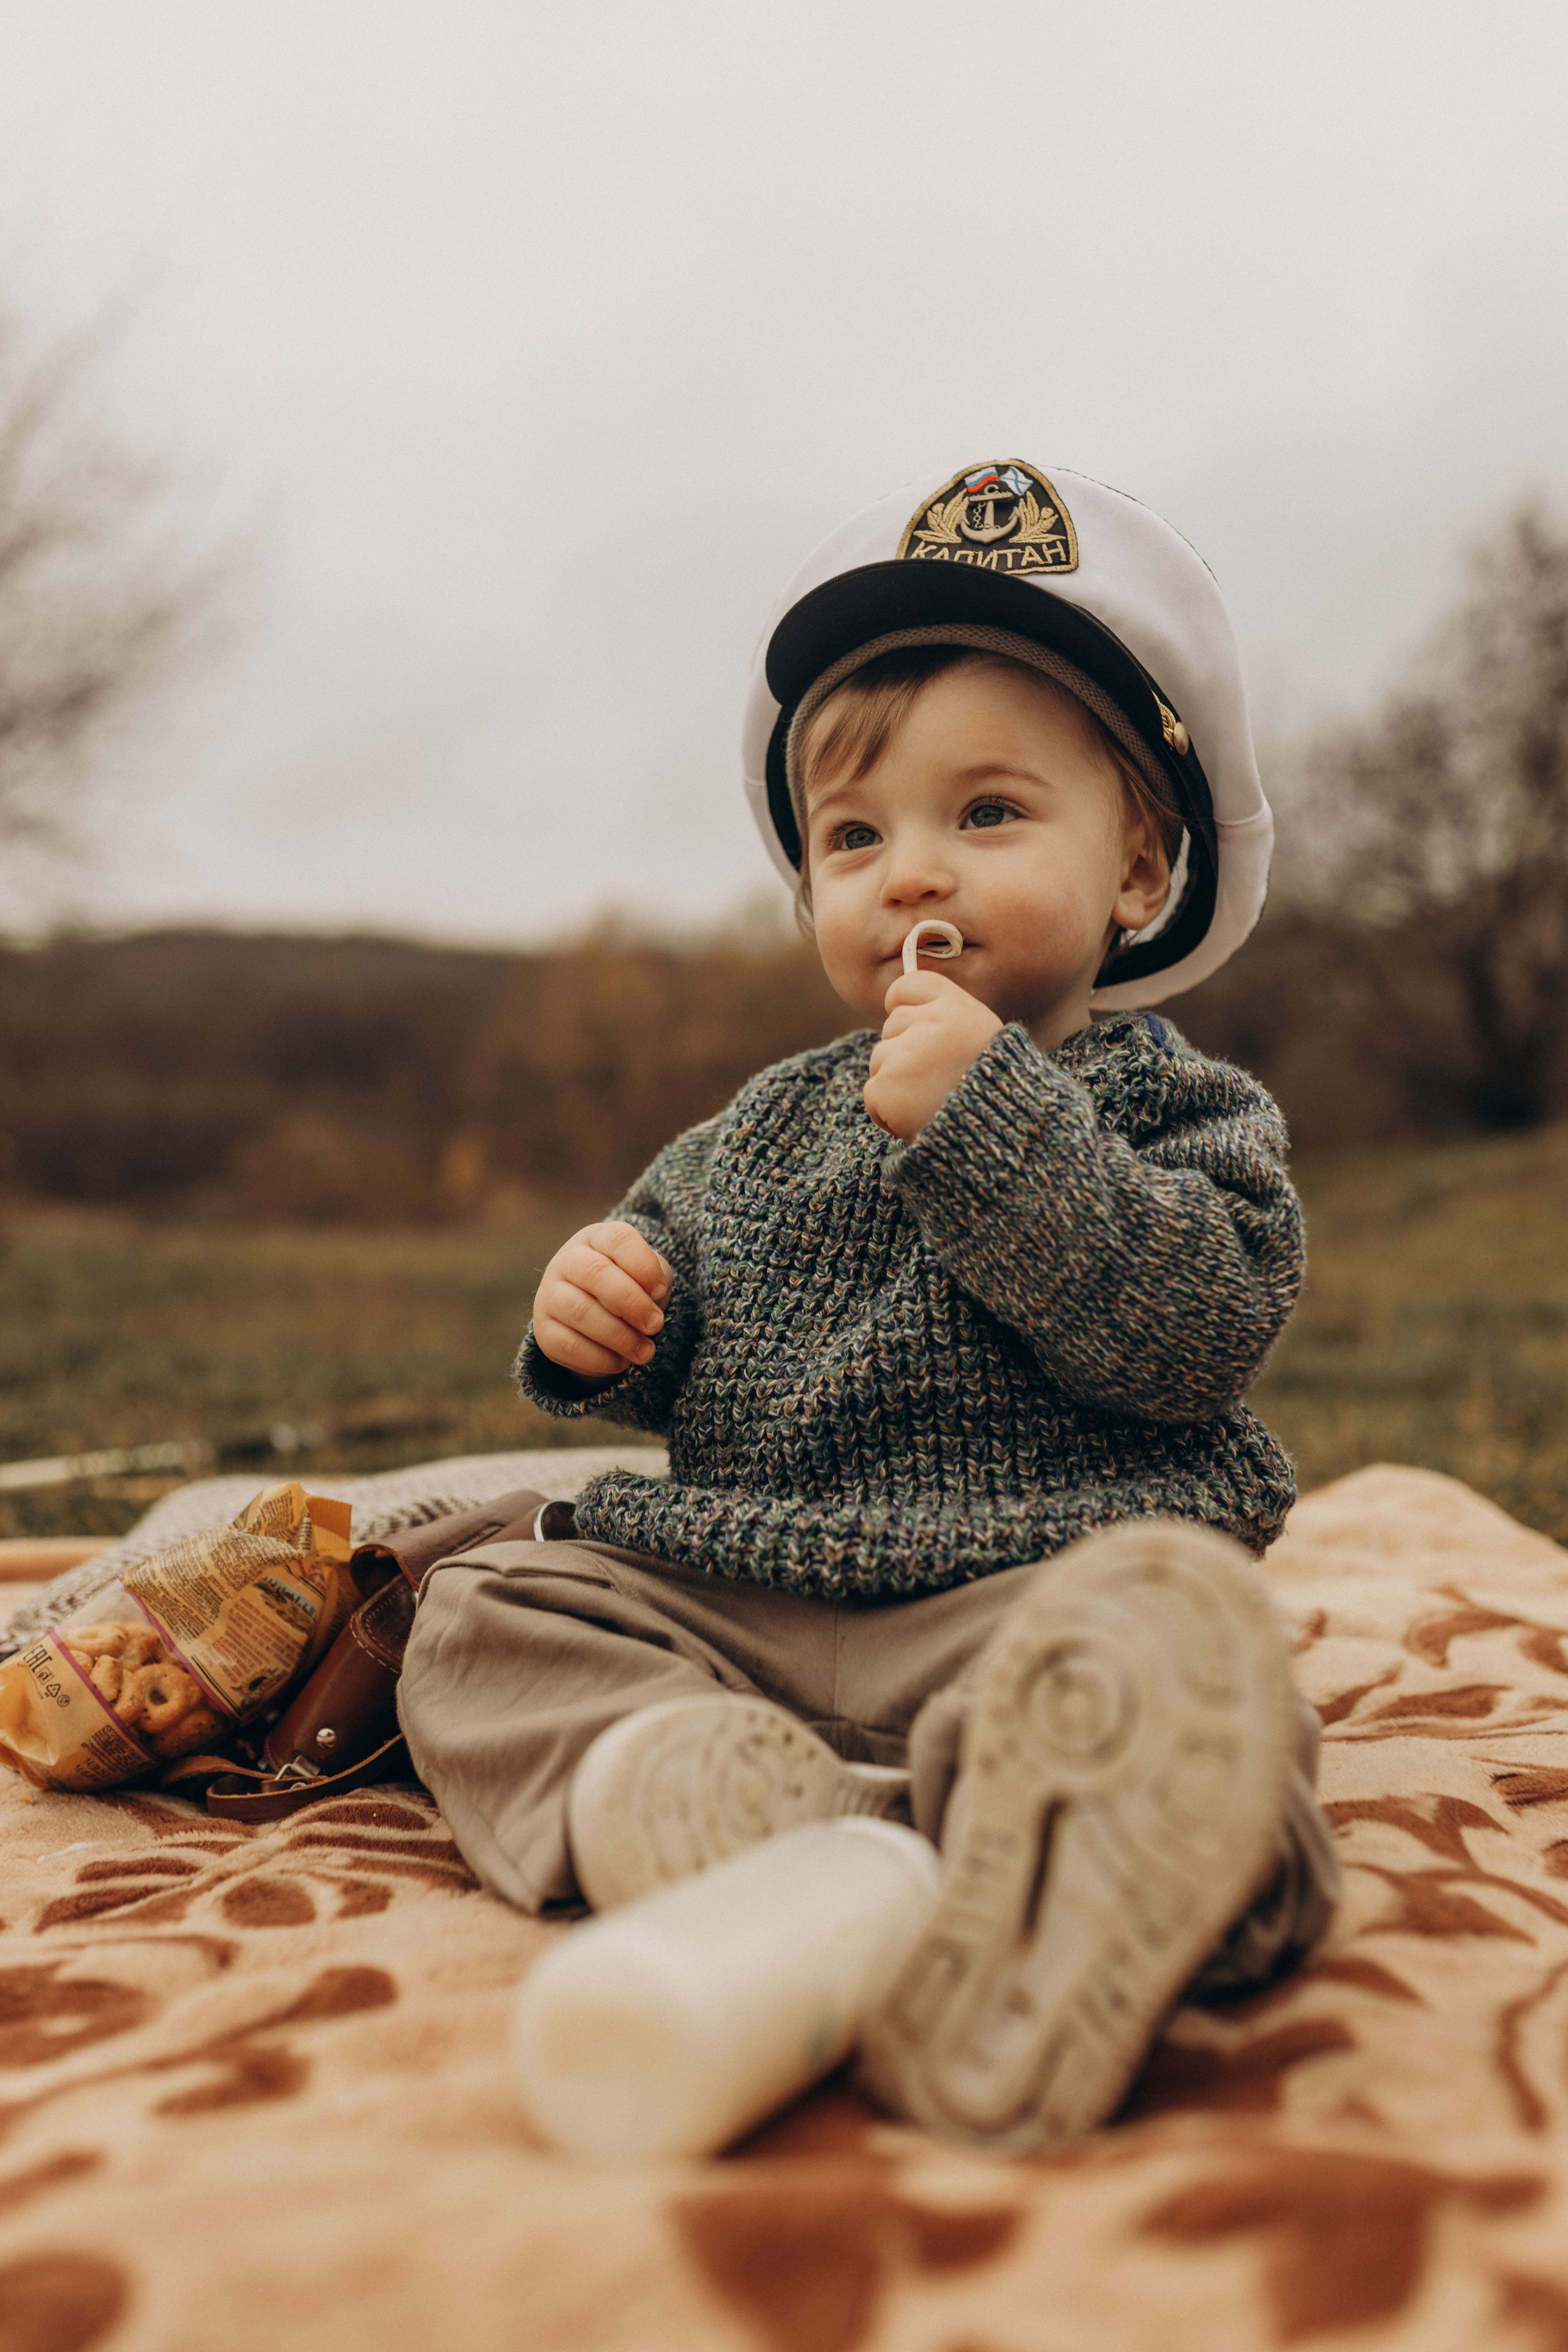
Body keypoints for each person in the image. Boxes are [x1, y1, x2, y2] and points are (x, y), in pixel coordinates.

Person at [398, 459, 1340, 2153]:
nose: (911, 874)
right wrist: (601, 1313)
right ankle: (705, 1806)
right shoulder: (758, 1122)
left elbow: (1194, 1329)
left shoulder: (1177, 1113)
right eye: (855, 836)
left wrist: (998, 1121)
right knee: (482, 1615)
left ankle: (1046, 1885)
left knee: (1190, 1691)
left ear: (1140, 869)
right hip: (743, 1606)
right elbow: (665, 1297)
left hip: (1020, 1600)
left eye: (986, 815)